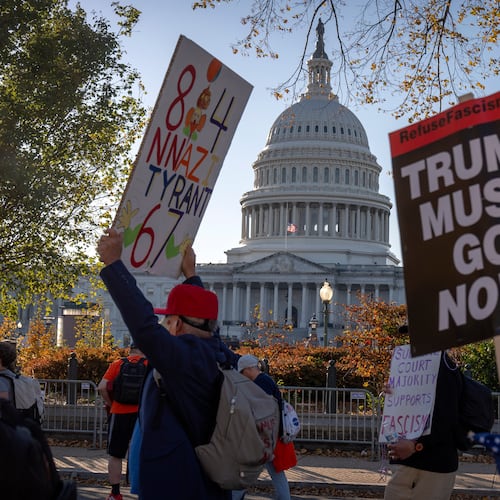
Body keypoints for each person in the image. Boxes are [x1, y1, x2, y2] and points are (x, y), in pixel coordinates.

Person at [97, 228, 238, 500]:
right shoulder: (218, 352)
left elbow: (144, 326)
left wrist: (114, 264)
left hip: (176, 483)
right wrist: (191, 275)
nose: (164, 324)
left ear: (177, 323)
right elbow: (202, 320)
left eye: (168, 319)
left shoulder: (184, 356)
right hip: (208, 482)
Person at [384, 325, 464, 500]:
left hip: (431, 466)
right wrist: (393, 395)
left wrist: (416, 445)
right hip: (408, 463)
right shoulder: (409, 367)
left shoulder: (444, 366)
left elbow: (446, 419)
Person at [233, 354, 291, 500]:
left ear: (248, 369)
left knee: (247, 471)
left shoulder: (260, 383)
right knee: (276, 472)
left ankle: (234, 496)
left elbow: (258, 412)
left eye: (242, 372)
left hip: (262, 438)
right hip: (270, 436)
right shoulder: (265, 381)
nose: (242, 376)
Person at [98, 344, 147, 500]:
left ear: (130, 350)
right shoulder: (149, 364)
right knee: (141, 453)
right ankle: (141, 490)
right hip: (142, 415)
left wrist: (111, 404)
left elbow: (102, 387)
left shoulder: (118, 364)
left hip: (119, 413)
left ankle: (115, 493)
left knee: (115, 454)